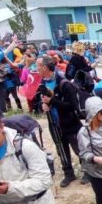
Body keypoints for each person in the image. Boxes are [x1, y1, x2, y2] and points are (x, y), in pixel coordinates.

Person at [32, 55, 83, 187]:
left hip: (70, 122)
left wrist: (52, 101)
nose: (35, 69)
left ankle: (88, 171)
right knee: (61, 148)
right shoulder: (43, 82)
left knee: (79, 148)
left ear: (44, 67)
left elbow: (72, 106)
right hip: (54, 123)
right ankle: (69, 174)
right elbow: (41, 100)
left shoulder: (64, 83)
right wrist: (42, 106)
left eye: (37, 66)